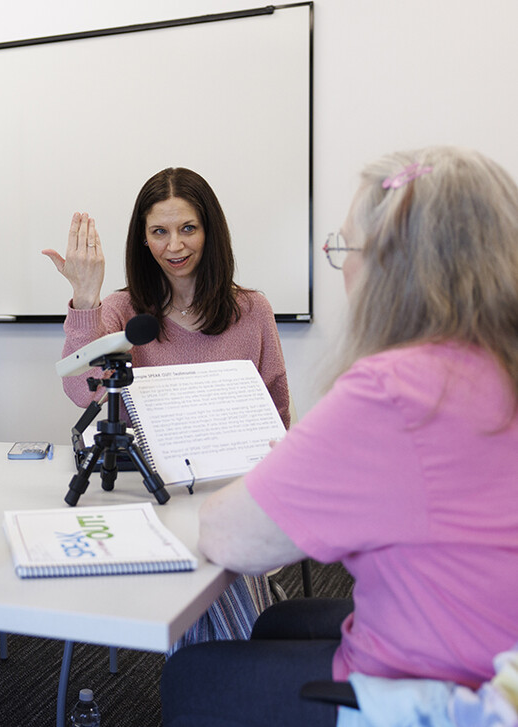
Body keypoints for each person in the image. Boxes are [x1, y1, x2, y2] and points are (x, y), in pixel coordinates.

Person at [161, 146, 518, 726]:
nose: (345, 269)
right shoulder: (495, 363)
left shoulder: (398, 389)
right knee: (274, 623)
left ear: (396, 264)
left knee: (193, 676)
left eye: (345, 248)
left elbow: (231, 538)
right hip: (499, 650)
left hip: (448, 691)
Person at [43, 167, 290, 648]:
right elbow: (84, 391)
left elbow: (277, 411)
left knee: (216, 555)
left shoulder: (252, 310)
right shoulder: (120, 310)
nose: (174, 246)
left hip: (233, 491)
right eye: (159, 232)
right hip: (152, 494)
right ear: (143, 239)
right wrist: (85, 298)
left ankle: (202, 684)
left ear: (210, 231)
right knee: (207, 563)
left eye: (187, 229)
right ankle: (239, 668)